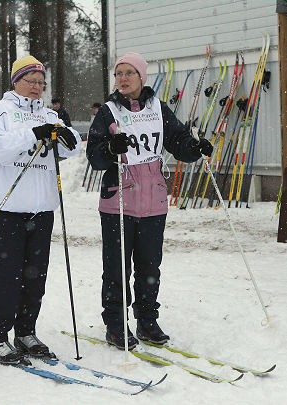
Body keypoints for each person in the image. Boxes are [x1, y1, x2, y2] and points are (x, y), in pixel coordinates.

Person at [86, 52, 213, 349]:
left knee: (149, 267)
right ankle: (116, 325)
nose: (123, 79)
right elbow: (94, 156)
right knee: (117, 267)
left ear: (142, 77)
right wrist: (110, 147)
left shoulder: (158, 108)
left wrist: (195, 148)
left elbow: (179, 141)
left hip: (153, 200)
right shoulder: (107, 112)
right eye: (119, 74)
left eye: (129, 73)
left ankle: (147, 321)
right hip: (119, 198)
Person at [0, 55, 80, 364]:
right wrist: (34, 133)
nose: (37, 87)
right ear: (16, 81)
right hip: (7, 209)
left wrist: (65, 134)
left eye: (41, 82)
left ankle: (25, 332)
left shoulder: (50, 114)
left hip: (41, 209)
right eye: (31, 81)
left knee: (35, 278)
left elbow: (72, 145)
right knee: (6, 278)